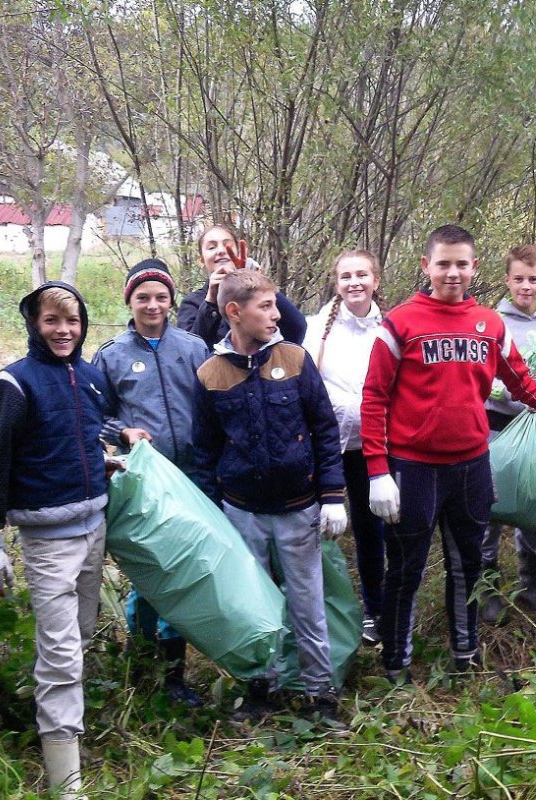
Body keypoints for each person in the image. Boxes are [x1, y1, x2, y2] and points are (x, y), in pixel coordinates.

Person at [360, 224, 536, 683]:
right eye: (443, 263)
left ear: (475, 268)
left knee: (468, 563)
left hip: (470, 465)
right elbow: (374, 397)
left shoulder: (490, 324)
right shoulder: (399, 323)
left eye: (462, 263)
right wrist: (378, 471)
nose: (453, 272)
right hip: (414, 467)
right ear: (427, 267)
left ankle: (465, 656)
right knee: (407, 566)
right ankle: (396, 662)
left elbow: (522, 383)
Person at [191, 269, 347, 715]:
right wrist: (211, 512)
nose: (276, 315)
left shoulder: (296, 360)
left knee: (307, 602)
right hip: (242, 511)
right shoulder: (210, 374)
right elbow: (205, 449)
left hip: (300, 508)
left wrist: (333, 495)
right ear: (234, 312)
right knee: (253, 606)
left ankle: (320, 693)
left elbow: (323, 429)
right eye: (266, 306)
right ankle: (261, 688)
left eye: (275, 304)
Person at [0, 283, 113, 799]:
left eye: (73, 321)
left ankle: (59, 727)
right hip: (48, 540)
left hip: (94, 528)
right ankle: (66, 783)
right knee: (61, 655)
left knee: (77, 640)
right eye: (52, 321)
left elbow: (85, 435)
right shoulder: (14, 383)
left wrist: (117, 443)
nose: (64, 331)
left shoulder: (90, 378)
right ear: (33, 324)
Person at [93, 259, 209, 706]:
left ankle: (175, 674)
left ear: (171, 300)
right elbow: (95, 417)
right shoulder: (112, 354)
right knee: (148, 572)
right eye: (143, 297)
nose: (153, 304)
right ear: (130, 301)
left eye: (161, 296)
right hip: (141, 481)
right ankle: (142, 666)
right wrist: (121, 434)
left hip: (192, 477)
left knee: (180, 570)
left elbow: (212, 404)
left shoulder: (194, 348)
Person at [303, 250, 387, 646]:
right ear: (336, 282)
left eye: (362, 275)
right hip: (327, 448)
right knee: (321, 530)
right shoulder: (318, 327)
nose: (354, 282)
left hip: (372, 448)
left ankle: (376, 611)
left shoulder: (388, 328)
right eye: (346, 276)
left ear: (376, 280)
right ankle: (323, 617)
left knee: (372, 532)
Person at [480, 244, 536, 624]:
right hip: (494, 428)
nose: (526, 287)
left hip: (533, 429)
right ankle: (487, 590)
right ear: (507, 280)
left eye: (533, 279)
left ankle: (530, 585)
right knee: (491, 507)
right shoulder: (490, 321)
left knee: (531, 504)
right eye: (518, 279)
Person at [177, 223, 307, 348]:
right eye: (212, 247)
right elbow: (190, 352)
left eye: (227, 245)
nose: (221, 251)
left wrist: (258, 284)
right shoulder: (192, 303)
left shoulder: (255, 295)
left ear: (238, 252)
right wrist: (210, 303)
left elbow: (296, 329)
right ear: (201, 260)